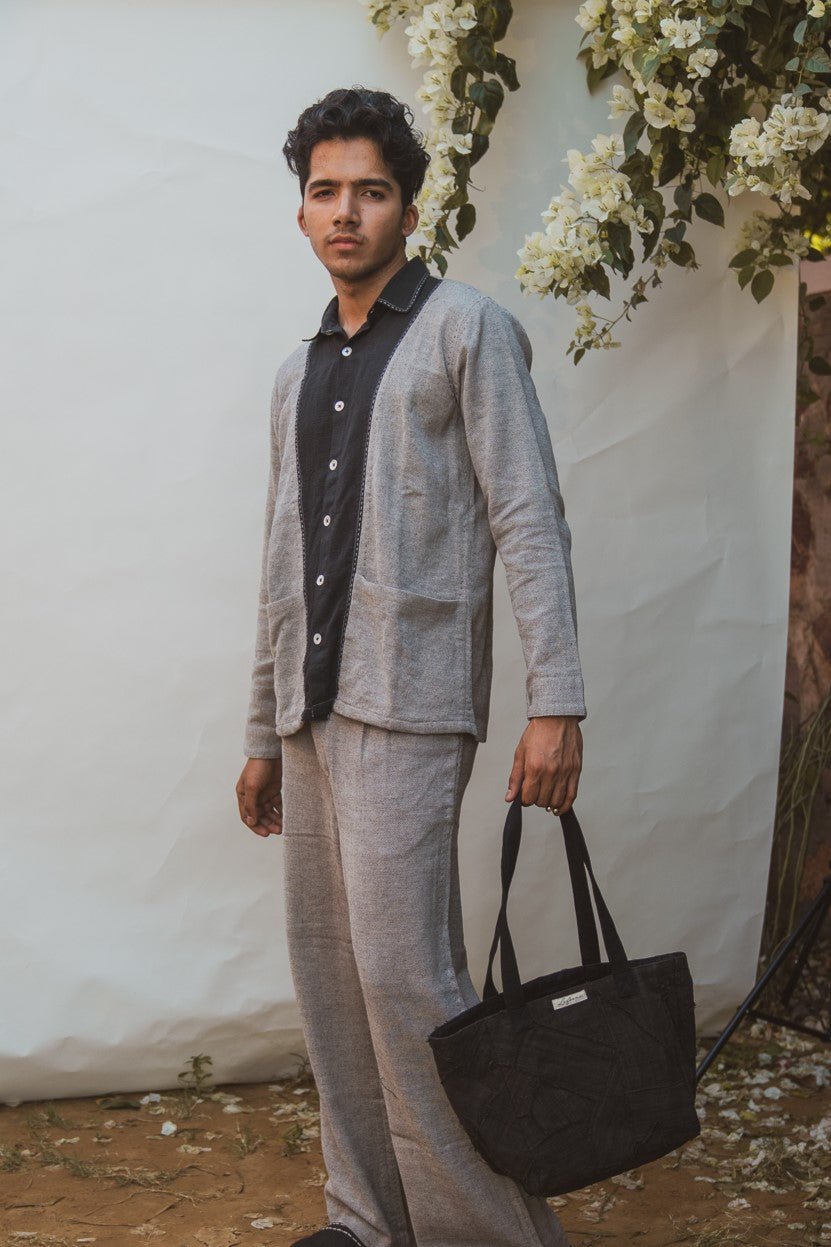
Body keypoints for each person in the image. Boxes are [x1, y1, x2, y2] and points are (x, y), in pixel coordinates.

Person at [236, 85, 586, 1247]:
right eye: (325, 191)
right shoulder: (296, 373)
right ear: (302, 212)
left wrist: (556, 701)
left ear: (409, 209)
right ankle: (368, 1220)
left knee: (405, 980)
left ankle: (484, 1231)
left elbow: (528, 515)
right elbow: (280, 562)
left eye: (371, 191)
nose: (346, 212)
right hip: (309, 712)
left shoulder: (467, 330)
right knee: (334, 982)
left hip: (413, 704)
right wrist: (260, 730)